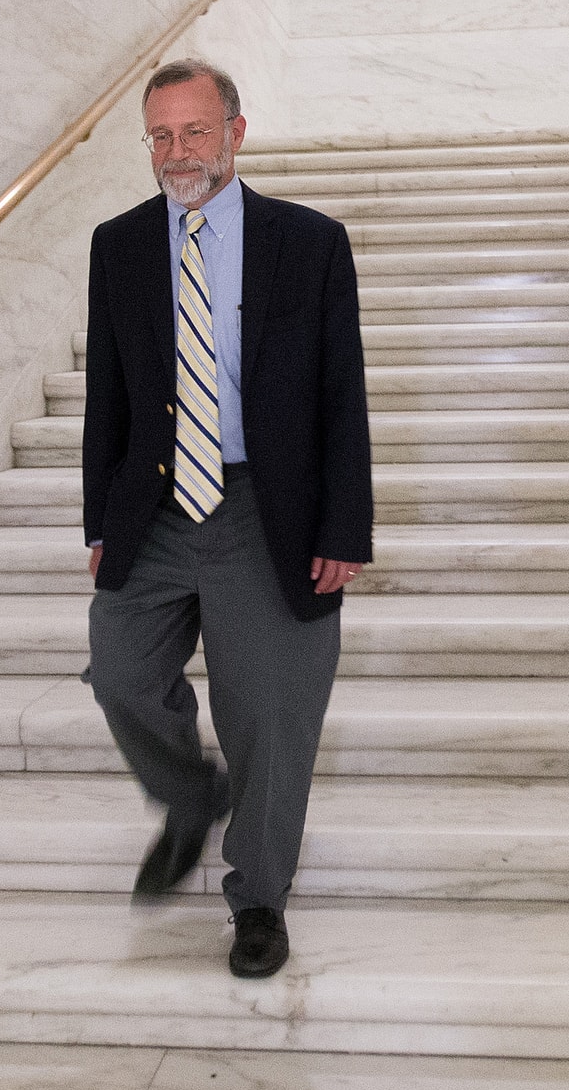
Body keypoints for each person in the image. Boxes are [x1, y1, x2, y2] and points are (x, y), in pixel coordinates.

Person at [81, 57, 374, 979]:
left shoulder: (310, 242)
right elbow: (110, 398)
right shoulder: (118, 244)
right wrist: (100, 519)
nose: (178, 152)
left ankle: (258, 898)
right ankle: (192, 795)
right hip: (157, 503)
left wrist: (344, 527)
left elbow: (342, 394)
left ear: (236, 134)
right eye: (161, 136)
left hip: (267, 505)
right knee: (121, 672)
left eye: (195, 131)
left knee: (271, 711)